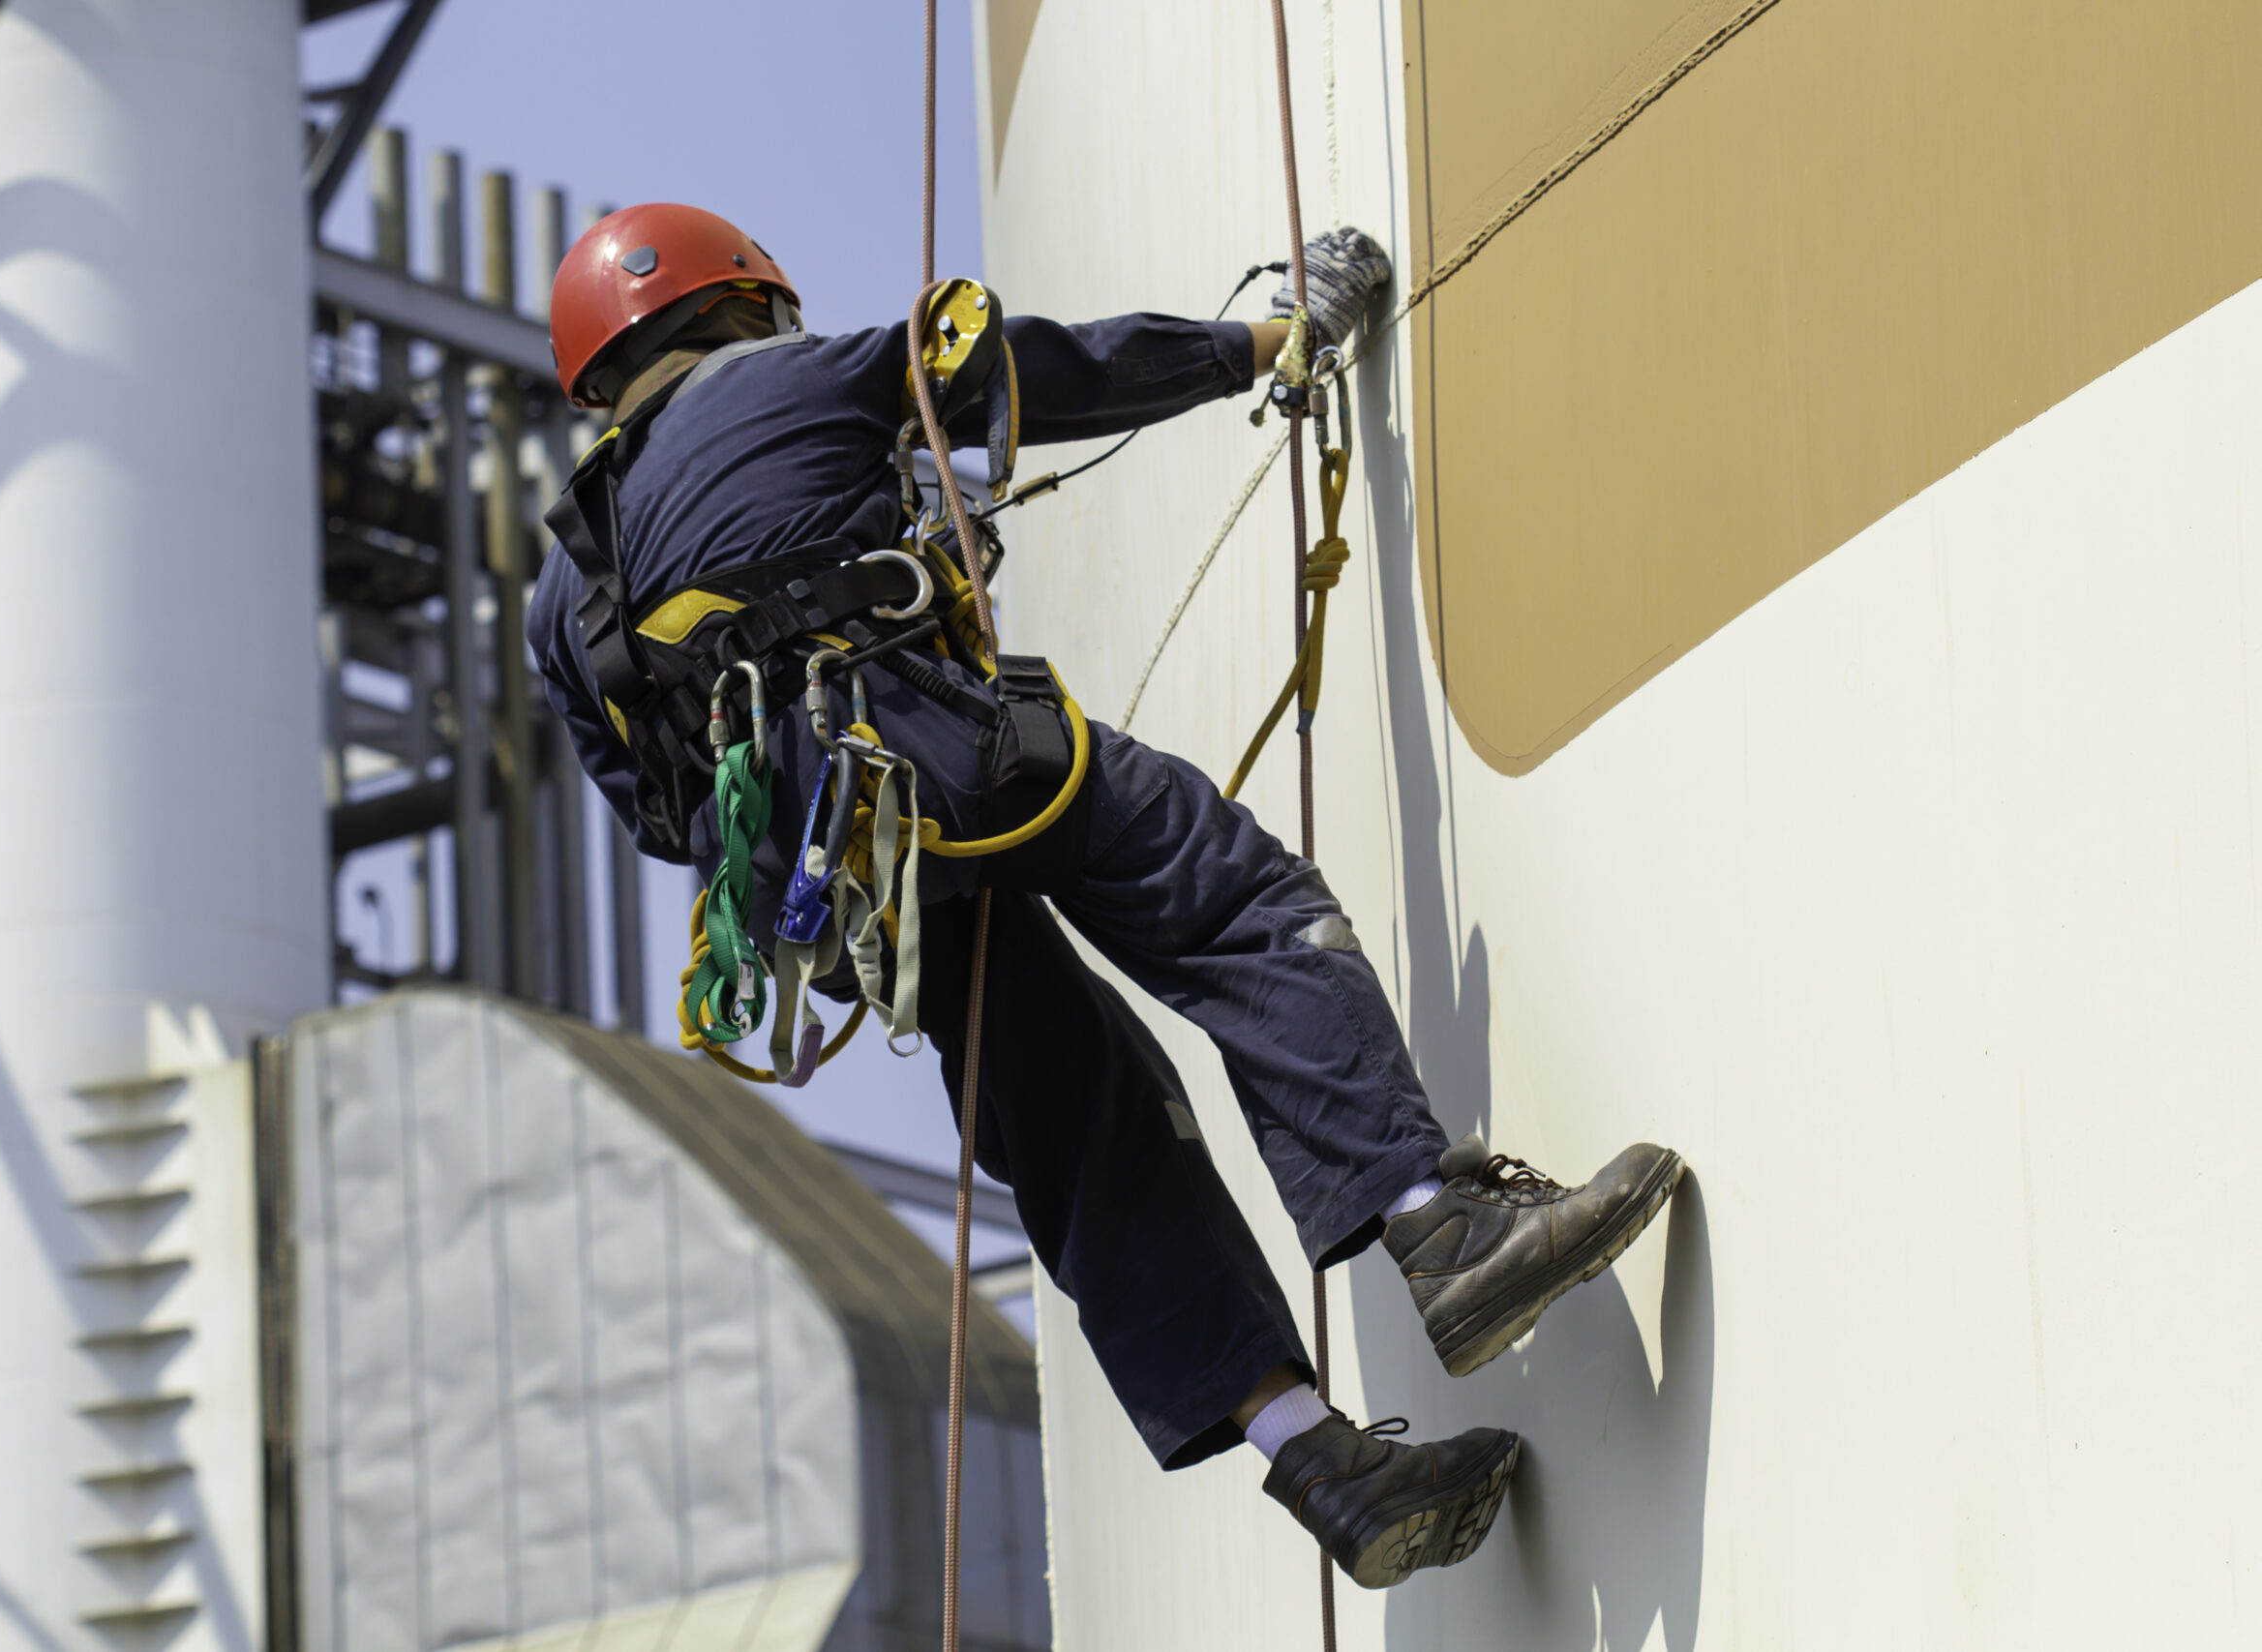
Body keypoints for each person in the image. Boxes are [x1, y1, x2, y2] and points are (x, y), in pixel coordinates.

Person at [529, 203, 1686, 1589]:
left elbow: (658, 815)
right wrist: (1269, 333)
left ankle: (1319, 1462)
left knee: (1081, 1134)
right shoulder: (814, 374)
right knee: (1229, 905)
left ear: (602, 379)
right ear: (746, 304)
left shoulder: (566, 594)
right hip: (947, 756)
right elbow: (1040, 373)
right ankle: (1441, 1224)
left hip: (841, 894)